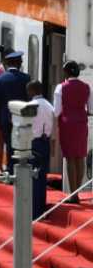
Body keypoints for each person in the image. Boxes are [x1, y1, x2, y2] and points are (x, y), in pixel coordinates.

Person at [55, 61, 92, 201]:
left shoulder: (60, 88)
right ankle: (77, 191)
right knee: (80, 157)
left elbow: (57, 111)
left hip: (67, 125)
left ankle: (73, 194)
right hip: (82, 125)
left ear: (66, 72)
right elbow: (91, 109)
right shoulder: (87, 87)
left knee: (70, 158)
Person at [0, 50, 30, 174]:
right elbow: (28, 100)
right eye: (20, 61)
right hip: (21, 118)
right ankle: (18, 170)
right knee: (20, 145)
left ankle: (10, 170)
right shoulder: (26, 79)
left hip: (5, 119)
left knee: (9, 144)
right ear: (18, 63)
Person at [28, 80, 55, 219]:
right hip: (45, 142)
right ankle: (41, 208)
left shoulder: (31, 106)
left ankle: (34, 211)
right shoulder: (49, 105)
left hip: (34, 143)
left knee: (33, 176)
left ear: (33, 91)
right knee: (42, 176)